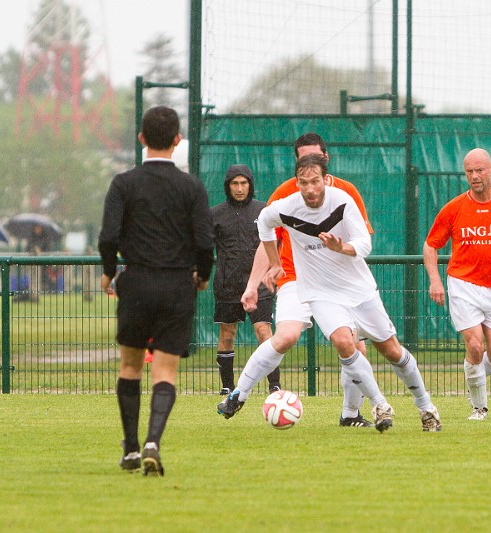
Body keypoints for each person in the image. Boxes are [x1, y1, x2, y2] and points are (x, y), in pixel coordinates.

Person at [221, 153, 442, 432]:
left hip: (358, 289)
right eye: (303, 183)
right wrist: (275, 264)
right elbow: (264, 222)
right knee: (342, 341)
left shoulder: (342, 200)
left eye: (315, 182)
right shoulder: (286, 206)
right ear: (297, 182)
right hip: (319, 292)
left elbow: (364, 244)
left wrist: (343, 248)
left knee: (392, 351)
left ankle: (426, 407)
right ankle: (379, 404)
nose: (310, 189)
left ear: (325, 179)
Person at [98, 105, 214, 476]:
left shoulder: (124, 183)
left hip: (138, 281)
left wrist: (108, 271)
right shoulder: (192, 186)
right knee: (164, 370)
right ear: (177, 141)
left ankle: (131, 448)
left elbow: (108, 236)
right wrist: (202, 275)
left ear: (142, 139)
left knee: (131, 366)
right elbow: (204, 241)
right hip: (178, 284)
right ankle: (153, 441)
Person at [234, 133, 376, 428]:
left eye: (317, 159)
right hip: (295, 279)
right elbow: (267, 236)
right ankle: (237, 394)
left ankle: (350, 414)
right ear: (297, 163)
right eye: (302, 160)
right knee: (285, 337)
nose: (310, 165)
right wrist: (253, 284)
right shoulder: (286, 194)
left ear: (327, 160)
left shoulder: (346, 193)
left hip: (338, 283)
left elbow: (359, 242)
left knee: (354, 346)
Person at [423, 148, 491, 420]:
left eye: (479, 170)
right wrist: (435, 281)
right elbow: (430, 246)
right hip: (463, 285)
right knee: (475, 346)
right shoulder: (454, 208)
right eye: (469, 172)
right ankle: (479, 407)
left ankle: (473, 375)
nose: (474, 176)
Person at [211, 163, 280, 396]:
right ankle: (227, 387)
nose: (239, 188)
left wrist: (272, 268)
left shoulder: (264, 211)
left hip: (259, 285)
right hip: (227, 285)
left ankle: (274, 386)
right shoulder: (215, 215)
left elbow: (274, 243)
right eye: (234, 183)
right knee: (227, 334)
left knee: (264, 332)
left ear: (250, 185)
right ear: (228, 186)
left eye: (243, 183)